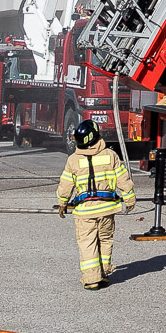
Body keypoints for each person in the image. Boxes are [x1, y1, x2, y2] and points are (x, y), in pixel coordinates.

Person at [54, 118, 129, 290]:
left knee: (87, 242)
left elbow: (66, 185)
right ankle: (103, 273)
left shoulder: (73, 160)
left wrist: (62, 203)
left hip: (85, 212)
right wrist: (130, 199)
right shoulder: (111, 155)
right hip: (107, 209)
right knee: (105, 240)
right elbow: (123, 179)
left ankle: (91, 278)